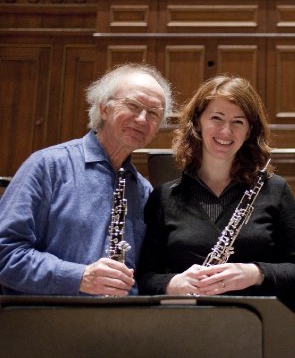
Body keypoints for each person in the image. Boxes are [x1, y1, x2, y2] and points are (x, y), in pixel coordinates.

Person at [0, 63, 173, 296]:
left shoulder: (143, 191)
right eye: (133, 105)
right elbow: (5, 254)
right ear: (104, 108)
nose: (142, 119)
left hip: (114, 327)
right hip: (43, 324)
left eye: (154, 113)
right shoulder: (48, 166)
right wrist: (79, 277)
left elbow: (142, 275)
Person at [136, 74, 295, 308]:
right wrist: (173, 283)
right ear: (197, 122)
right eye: (216, 118)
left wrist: (255, 273)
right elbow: (144, 276)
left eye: (238, 121)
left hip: (255, 327)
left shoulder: (275, 190)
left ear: (249, 131)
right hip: (184, 327)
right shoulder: (165, 197)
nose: (226, 131)